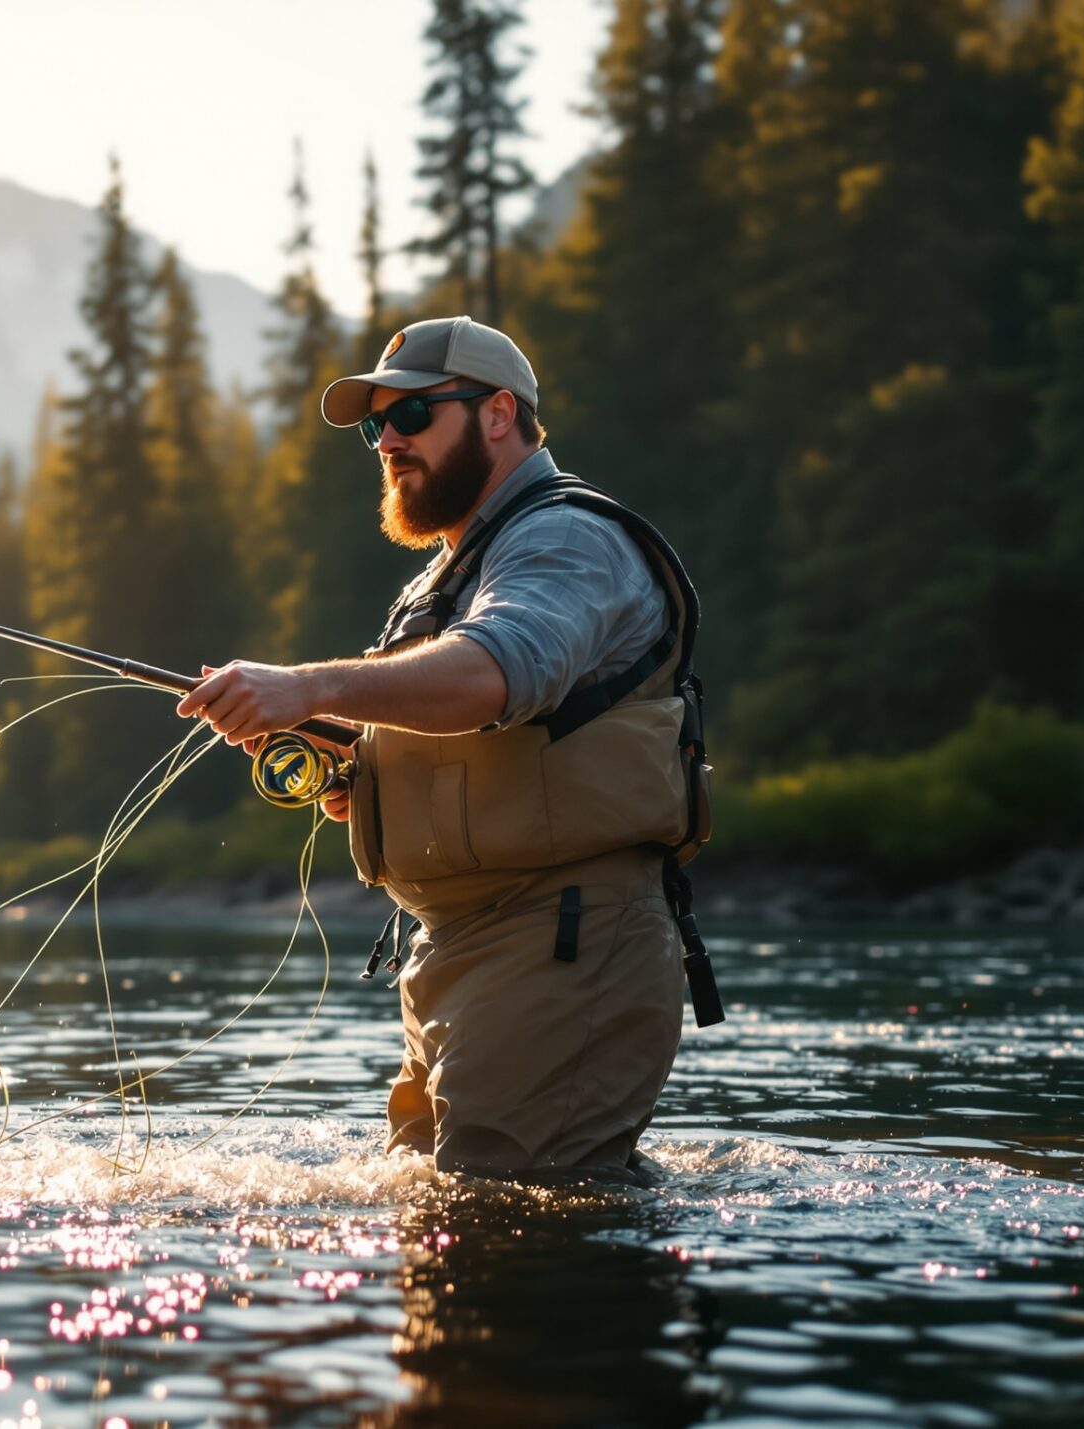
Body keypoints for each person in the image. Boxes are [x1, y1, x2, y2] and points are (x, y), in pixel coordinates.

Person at [176, 315, 719, 1183]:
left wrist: (307, 686)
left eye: (414, 413)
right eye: (373, 424)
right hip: (455, 949)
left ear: (499, 413)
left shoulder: (565, 536)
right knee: (443, 1229)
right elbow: (468, 733)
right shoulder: (453, 569)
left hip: (560, 940)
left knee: (504, 1233)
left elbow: (497, 674)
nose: (387, 439)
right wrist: (356, 765)